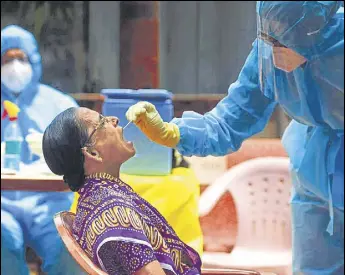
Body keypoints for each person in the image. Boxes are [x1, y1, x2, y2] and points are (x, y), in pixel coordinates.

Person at [126, 1, 344, 274]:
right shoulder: (269, 50)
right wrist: (175, 132)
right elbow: (232, 119)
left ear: (317, 30)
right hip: (313, 179)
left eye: (284, 38)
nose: (274, 47)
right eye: (268, 35)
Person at [42, 107, 202, 275]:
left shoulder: (97, 198)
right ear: (92, 153)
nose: (114, 120)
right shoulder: (114, 215)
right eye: (103, 122)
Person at [1, 25, 84, 274]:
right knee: (3, 239)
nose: (15, 66)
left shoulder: (59, 104)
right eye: (7, 59)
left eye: (21, 58)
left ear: (33, 61)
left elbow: (81, 153)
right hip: (2, 205)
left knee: (67, 245)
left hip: (50, 202)